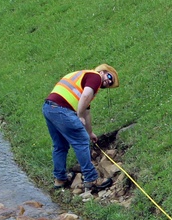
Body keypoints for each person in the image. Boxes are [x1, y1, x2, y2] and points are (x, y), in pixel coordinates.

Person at [42, 64, 118, 193]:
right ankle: (92, 179)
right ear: (104, 71)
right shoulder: (95, 77)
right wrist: (79, 114)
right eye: (109, 77)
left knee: (60, 145)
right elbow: (85, 97)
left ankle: (60, 179)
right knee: (81, 141)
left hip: (49, 108)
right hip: (61, 109)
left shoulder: (85, 78)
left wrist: (90, 133)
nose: (108, 81)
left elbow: (87, 110)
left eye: (110, 83)